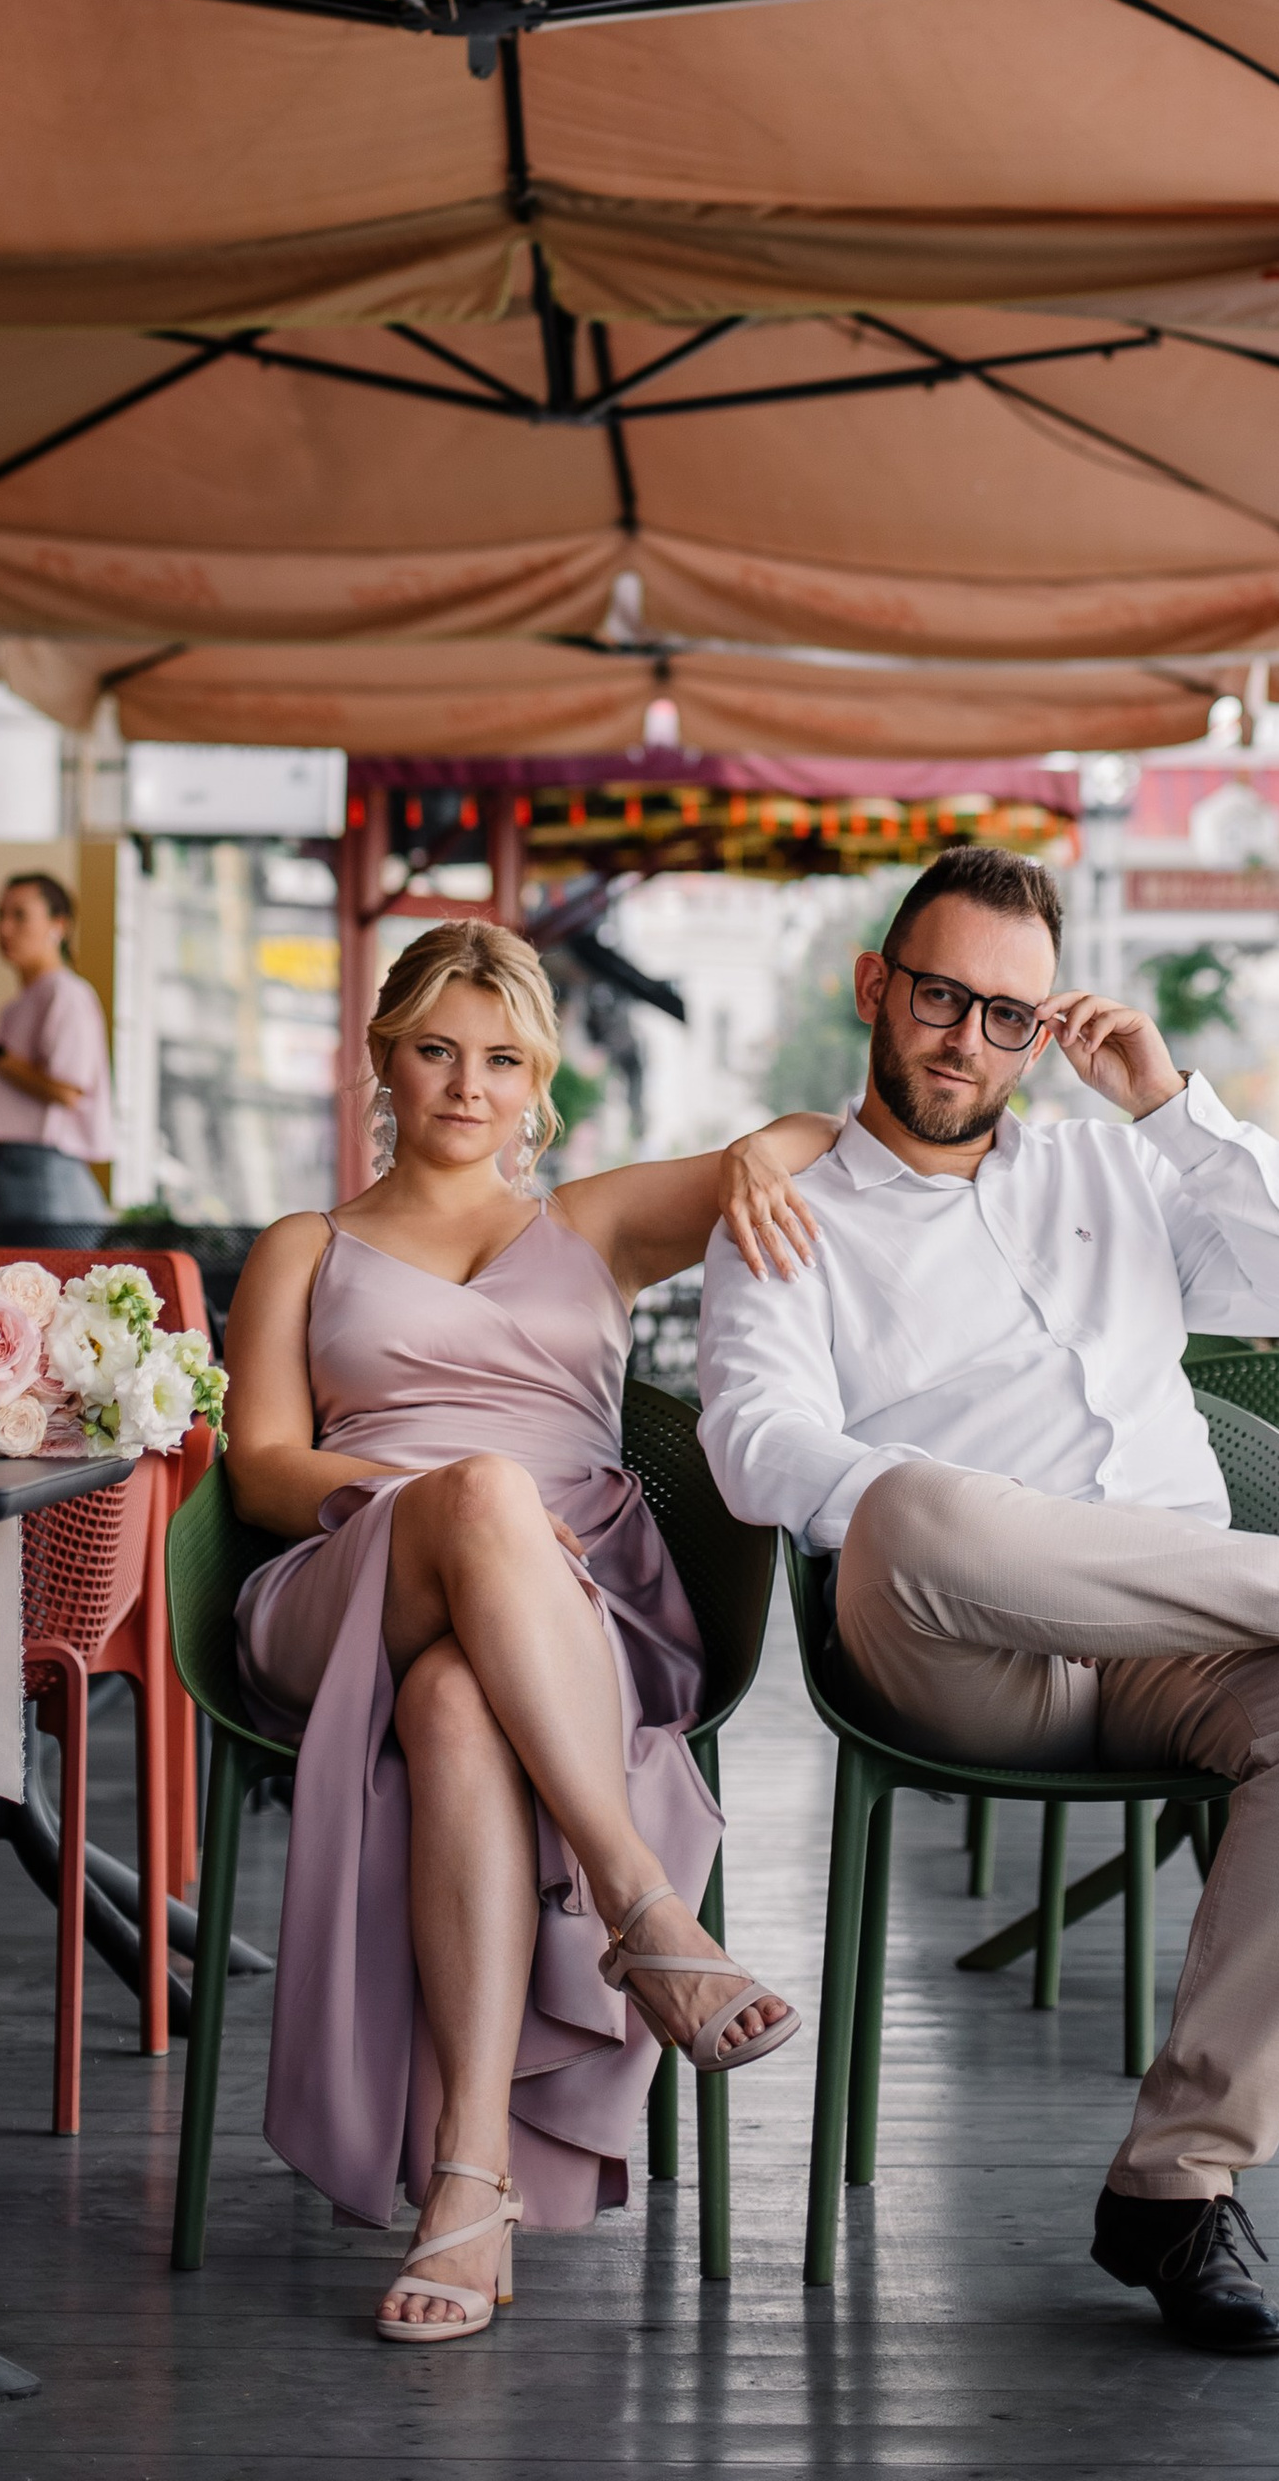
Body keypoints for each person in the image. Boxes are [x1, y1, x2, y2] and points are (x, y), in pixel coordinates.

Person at [697, 841, 1279, 2358]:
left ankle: (1176, 2183)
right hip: (968, 1650)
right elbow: (753, 1444)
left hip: (1182, 1635)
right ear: (874, 988)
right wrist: (944, 1518)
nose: (966, 1041)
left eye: (1007, 1015)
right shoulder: (794, 1207)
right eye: (939, 997)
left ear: (1043, 1029)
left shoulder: (1113, 1169)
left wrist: (1170, 1105)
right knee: (908, 1501)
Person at [221, 920, 838, 2347]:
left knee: (455, 1706)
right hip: (347, 1577)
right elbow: (259, 1468)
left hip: (574, 1609)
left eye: (502, 1060)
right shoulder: (306, 1245)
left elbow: (830, 1136)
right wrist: (434, 1505)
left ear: (539, 1080)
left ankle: (468, 2180)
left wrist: (756, 1152)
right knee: (485, 1490)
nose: (467, 1086)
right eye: (437, 1051)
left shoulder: (596, 1225)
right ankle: (644, 1911)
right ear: (384, 1059)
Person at [0, 870, 117, 1244]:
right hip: (17, 1170)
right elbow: (28, 1099)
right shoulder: (18, 1005)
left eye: (20, 915)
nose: (4, 928)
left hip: (43, 1175)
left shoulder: (66, 994)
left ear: (58, 926)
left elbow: (67, 1091)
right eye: (0, 915)